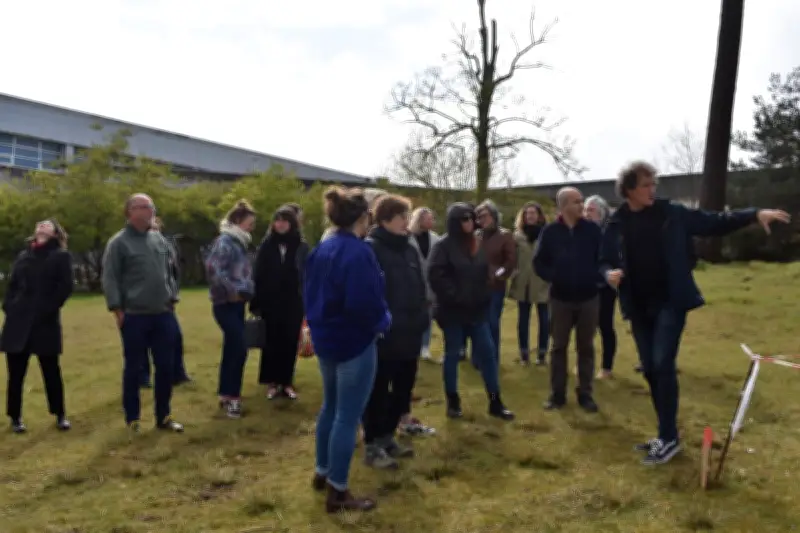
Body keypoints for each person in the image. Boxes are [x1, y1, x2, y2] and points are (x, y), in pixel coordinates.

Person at [600, 161, 791, 465]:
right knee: (649, 369)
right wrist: (608, 273)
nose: (653, 190)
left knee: (662, 363)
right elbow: (604, 260)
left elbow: (715, 222)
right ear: (629, 191)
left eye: (654, 184)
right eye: (646, 185)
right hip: (637, 305)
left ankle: (669, 439)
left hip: (670, 302)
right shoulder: (615, 224)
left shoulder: (672, 214)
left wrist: (753, 215)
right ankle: (665, 434)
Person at [305, 186, 390, 513]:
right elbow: (364, 303)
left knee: (330, 407)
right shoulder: (359, 252)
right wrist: (384, 320)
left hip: (327, 339)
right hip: (354, 341)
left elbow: (311, 296)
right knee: (347, 416)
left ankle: (322, 470)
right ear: (362, 217)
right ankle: (338, 490)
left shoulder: (321, 249)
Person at [102, 194, 183, 432]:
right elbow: (110, 278)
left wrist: (172, 296)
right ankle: (133, 418)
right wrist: (117, 309)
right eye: (144, 207)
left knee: (166, 366)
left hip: (163, 313)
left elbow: (171, 271)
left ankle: (164, 416)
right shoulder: (119, 243)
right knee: (135, 368)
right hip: (134, 315)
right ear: (130, 212)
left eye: (151, 207)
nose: (150, 211)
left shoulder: (159, 240)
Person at [428, 202, 514, 421]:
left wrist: (484, 295)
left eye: (472, 218)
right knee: (453, 355)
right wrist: (456, 297)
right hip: (453, 313)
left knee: (488, 354)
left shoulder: (477, 244)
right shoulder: (443, 246)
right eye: (465, 219)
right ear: (456, 222)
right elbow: (436, 276)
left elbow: (485, 272)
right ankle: (453, 401)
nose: (471, 222)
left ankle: (495, 401)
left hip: (477, 312)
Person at [361, 195, 428, 469]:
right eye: (402, 217)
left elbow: (419, 286)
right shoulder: (371, 249)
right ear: (386, 219)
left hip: (410, 333)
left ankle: (388, 436)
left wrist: (423, 317)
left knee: (403, 388)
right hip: (384, 334)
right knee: (378, 389)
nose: (406, 223)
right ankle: (372, 443)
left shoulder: (409, 249)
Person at [533, 187, 601, 413]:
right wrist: (555, 277)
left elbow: (605, 258)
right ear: (563, 206)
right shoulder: (550, 232)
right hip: (560, 299)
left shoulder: (592, 230)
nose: (581, 205)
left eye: (582, 201)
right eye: (576, 202)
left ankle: (585, 394)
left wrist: (597, 278)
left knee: (586, 348)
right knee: (559, 347)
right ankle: (557, 394)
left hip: (588, 298)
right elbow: (538, 262)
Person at [2, 220, 73, 433]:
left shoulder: (60, 256)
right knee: (15, 373)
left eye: (46, 225)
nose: (41, 226)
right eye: (39, 224)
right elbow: (12, 285)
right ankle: (15, 417)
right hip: (18, 321)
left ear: (54, 232)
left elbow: (65, 287)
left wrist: (48, 309)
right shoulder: (24, 256)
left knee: (51, 370)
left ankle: (59, 413)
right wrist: (9, 307)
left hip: (45, 321)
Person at [250, 206, 308, 400]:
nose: (281, 224)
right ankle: (272, 382)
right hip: (270, 301)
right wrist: (256, 302)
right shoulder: (266, 245)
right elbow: (258, 274)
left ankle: (287, 382)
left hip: (293, 301)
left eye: (284, 220)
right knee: (271, 342)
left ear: (292, 223)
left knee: (290, 342)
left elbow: (306, 274)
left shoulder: (301, 245)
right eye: (277, 220)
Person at [206, 200, 257, 420]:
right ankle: (233, 399)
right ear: (237, 221)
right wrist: (232, 290)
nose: (252, 227)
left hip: (238, 304)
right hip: (225, 304)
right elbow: (213, 268)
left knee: (232, 348)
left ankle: (226, 394)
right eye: (249, 223)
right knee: (239, 347)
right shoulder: (225, 242)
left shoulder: (238, 242)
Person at [141, 217, 191, 388]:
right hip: (142, 304)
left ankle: (178, 373)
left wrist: (173, 294)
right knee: (143, 341)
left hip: (166, 302)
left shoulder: (166, 248)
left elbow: (173, 272)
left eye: (156, 229)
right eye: (150, 230)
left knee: (175, 337)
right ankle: (143, 378)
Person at [508, 202, 549, 366]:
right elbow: (512, 257)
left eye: (533, 213)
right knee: (523, 319)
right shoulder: (517, 236)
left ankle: (542, 353)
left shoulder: (547, 234)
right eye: (527, 213)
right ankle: (524, 353)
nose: (530, 216)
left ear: (539, 216)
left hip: (542, 281)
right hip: (523, 282)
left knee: (544, 319)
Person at [475, 200, 516, 364]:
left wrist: (498, 274)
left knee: (492, 322)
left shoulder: (505, 235)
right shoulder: (477, 236)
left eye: (484, 216)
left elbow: (510, 261)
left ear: (493, 216)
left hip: (495, 287)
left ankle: (492, 357)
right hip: (477, 286)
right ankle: (477, 358)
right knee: (478, 322)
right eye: (479, 217)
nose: (481, 219)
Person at [584, 196, 618, 379]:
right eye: (586, 210)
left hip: (605, 287)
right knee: (586, 326)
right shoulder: (582, 232)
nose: (587, 214)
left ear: (601, 212)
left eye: (591, 210)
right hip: (586, 285)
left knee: (605, 325)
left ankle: (607, 367)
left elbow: (612, 259)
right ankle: (585, 363)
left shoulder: (609, 233)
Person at [408, 207, 441, 363]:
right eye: (429, 218)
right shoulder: (408, 238)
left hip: (430, 284)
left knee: (427, 316)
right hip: (412, 283)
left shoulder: (435, 238)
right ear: (419, 220)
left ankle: (425, 346)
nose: (432, 221)